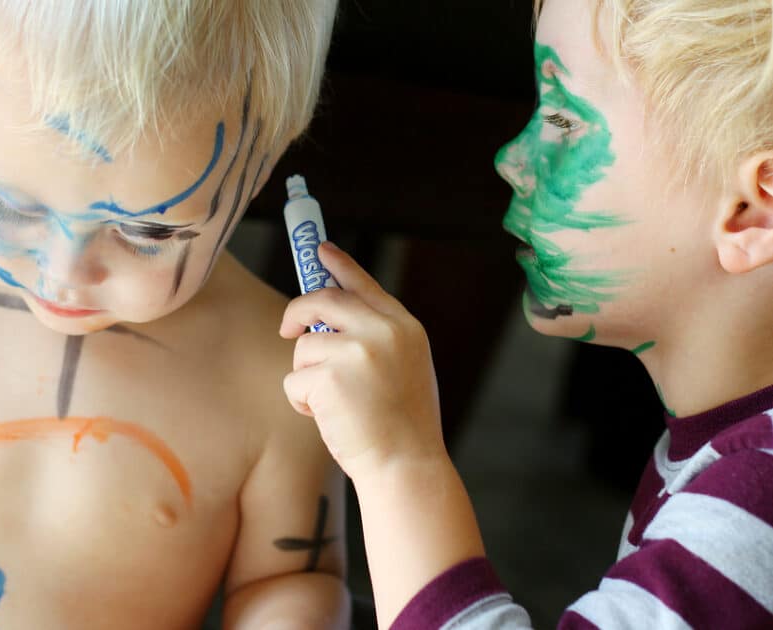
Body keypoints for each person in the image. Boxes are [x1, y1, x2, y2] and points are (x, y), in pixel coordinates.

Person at [0, 1, 350, 628]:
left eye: (145, 231)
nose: (62, 273)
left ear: (265, 159)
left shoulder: (282, 378)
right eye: (12, 202)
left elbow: (290, 581)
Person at [280, 0, 773, 627]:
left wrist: (401, 465)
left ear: (752, 211)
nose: (511, 159)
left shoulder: (757, 505)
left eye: (564, 121)